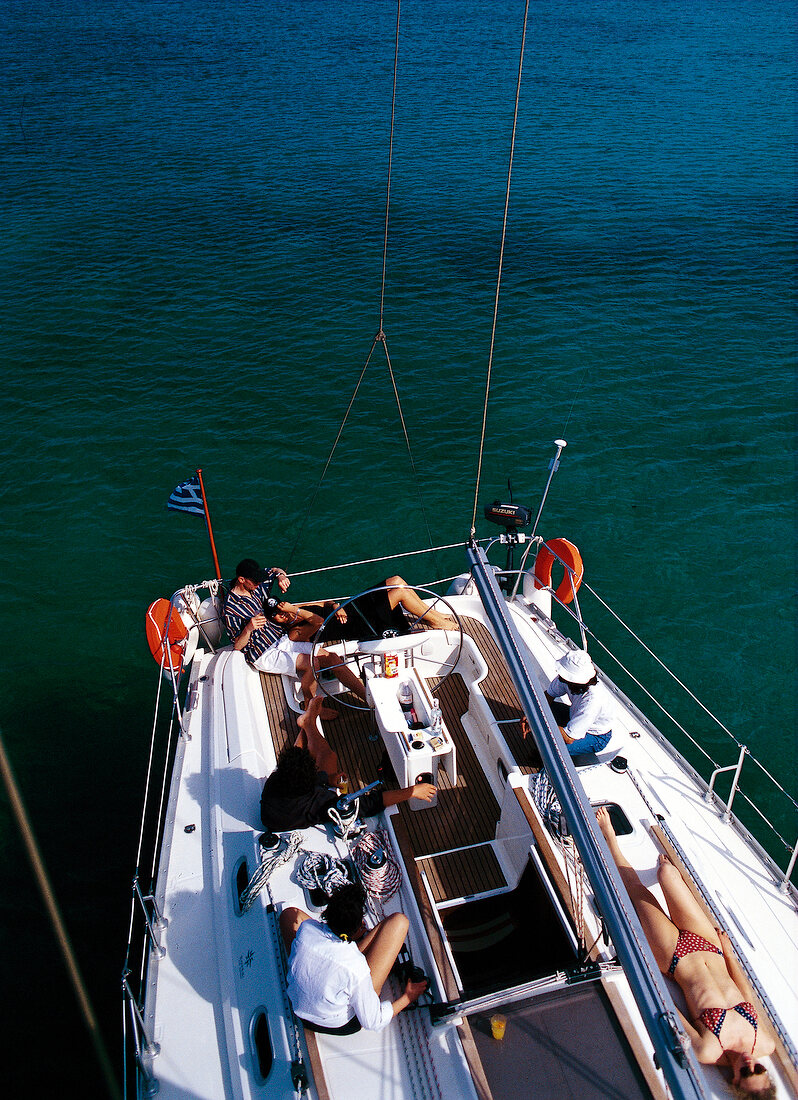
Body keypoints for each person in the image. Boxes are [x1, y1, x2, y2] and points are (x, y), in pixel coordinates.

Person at [596, 806, 776, 1098]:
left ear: (734, 1083)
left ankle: (609, 838)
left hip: (675, 958)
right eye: (760, 1070)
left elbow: (671, 1011)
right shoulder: (764, 1043)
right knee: (667, 872)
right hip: (711, 948)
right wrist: (729, 955)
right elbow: (747, 996)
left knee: (634, 890)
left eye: (746, 1073)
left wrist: (650, 969)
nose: (751, 1064)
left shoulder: (709, 1050)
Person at [260, 696, 436, 831]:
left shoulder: (276, 782)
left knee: (329, 765)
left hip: (287, 809)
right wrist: (413, 791)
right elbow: (370, 803)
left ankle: (308, 722)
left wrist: (329, 780)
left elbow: (302, 779)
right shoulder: (320, 805)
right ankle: (308, 722)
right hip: (310, 811)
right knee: (329, 757)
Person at [223, 558, 368, 714]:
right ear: (241, 580)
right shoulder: (231, 609)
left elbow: (274, 569)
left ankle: (368, 699)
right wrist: (248, 629)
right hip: (263, 653)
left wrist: (281, 577)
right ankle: (311, 709)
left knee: (332, 658)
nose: (259, 584)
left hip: (280, 639)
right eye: (255, 581)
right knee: (311, 663)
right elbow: (237, 646)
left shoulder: (256, 587)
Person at [280, 883, 428, 1034]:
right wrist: (408, 997)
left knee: (288, 915)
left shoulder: (306, 930)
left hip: (299, 1009)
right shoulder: (357, 968)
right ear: (357, 928)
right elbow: (373, 1021)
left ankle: (347, 943)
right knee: (399, 921)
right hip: (340, 1024)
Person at [268, 575, 457, 644]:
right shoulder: (294, 632)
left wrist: (336, 606)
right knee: (400, 593)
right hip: (357, 625)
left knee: (396, 581)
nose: (281, 613)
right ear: (273, 620)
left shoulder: (295, 609)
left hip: (350, 608)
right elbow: (319, 622)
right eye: (276, 615)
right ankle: (437, 621)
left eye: (279, 607)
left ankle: (434, 615)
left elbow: (326, 603)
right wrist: (295, 610)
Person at [544, 649, 614, 757]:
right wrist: (532, 713)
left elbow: (569, 738)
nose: (560, 679)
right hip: (573, 715)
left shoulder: (593, 701)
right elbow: (548, 695)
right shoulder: (566, 680)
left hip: (595, 735)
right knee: (540, 706)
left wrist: (540, 721)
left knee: (550, 748)